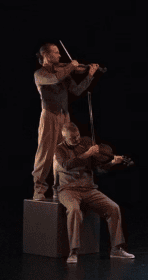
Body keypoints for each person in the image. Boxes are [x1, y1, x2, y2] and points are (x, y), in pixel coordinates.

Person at [54, 123, 133, 264]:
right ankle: (73, 252)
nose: (77, 139)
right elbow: (67, 165)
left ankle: (116, 249)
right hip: (68, 189)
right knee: (74, 210)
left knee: (113, 208)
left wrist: (112, 163)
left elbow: (99, 168)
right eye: (73, 138)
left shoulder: (86, 143)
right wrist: (87, 154)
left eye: (78, 136)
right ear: (64, 137)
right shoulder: (59, 149)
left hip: (88, 189)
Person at [33, 43, 100, 201]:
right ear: (46, 55)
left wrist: (89, 75)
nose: (59, 55)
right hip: (49, 115)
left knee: (62, 153)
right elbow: (54, 79)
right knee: (45, 154)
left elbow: (76, 90)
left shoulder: (64, 72)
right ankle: (39, 189)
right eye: (56, 52)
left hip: (64, 117)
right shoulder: (40, 73)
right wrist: (71, 66)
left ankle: (59, 187)